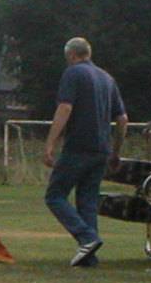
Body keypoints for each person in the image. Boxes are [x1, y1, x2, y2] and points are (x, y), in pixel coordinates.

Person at [42, 36, 127, 267]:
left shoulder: (73, 73)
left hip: (78, 147)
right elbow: (122, 119)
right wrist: (116, 151)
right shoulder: (107, 79)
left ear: (71, 55)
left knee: (55, 195)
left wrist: (50, 143)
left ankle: (87, 237)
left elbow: (65, 107)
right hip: (102, 150)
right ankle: (89, 258)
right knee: (87, 201)